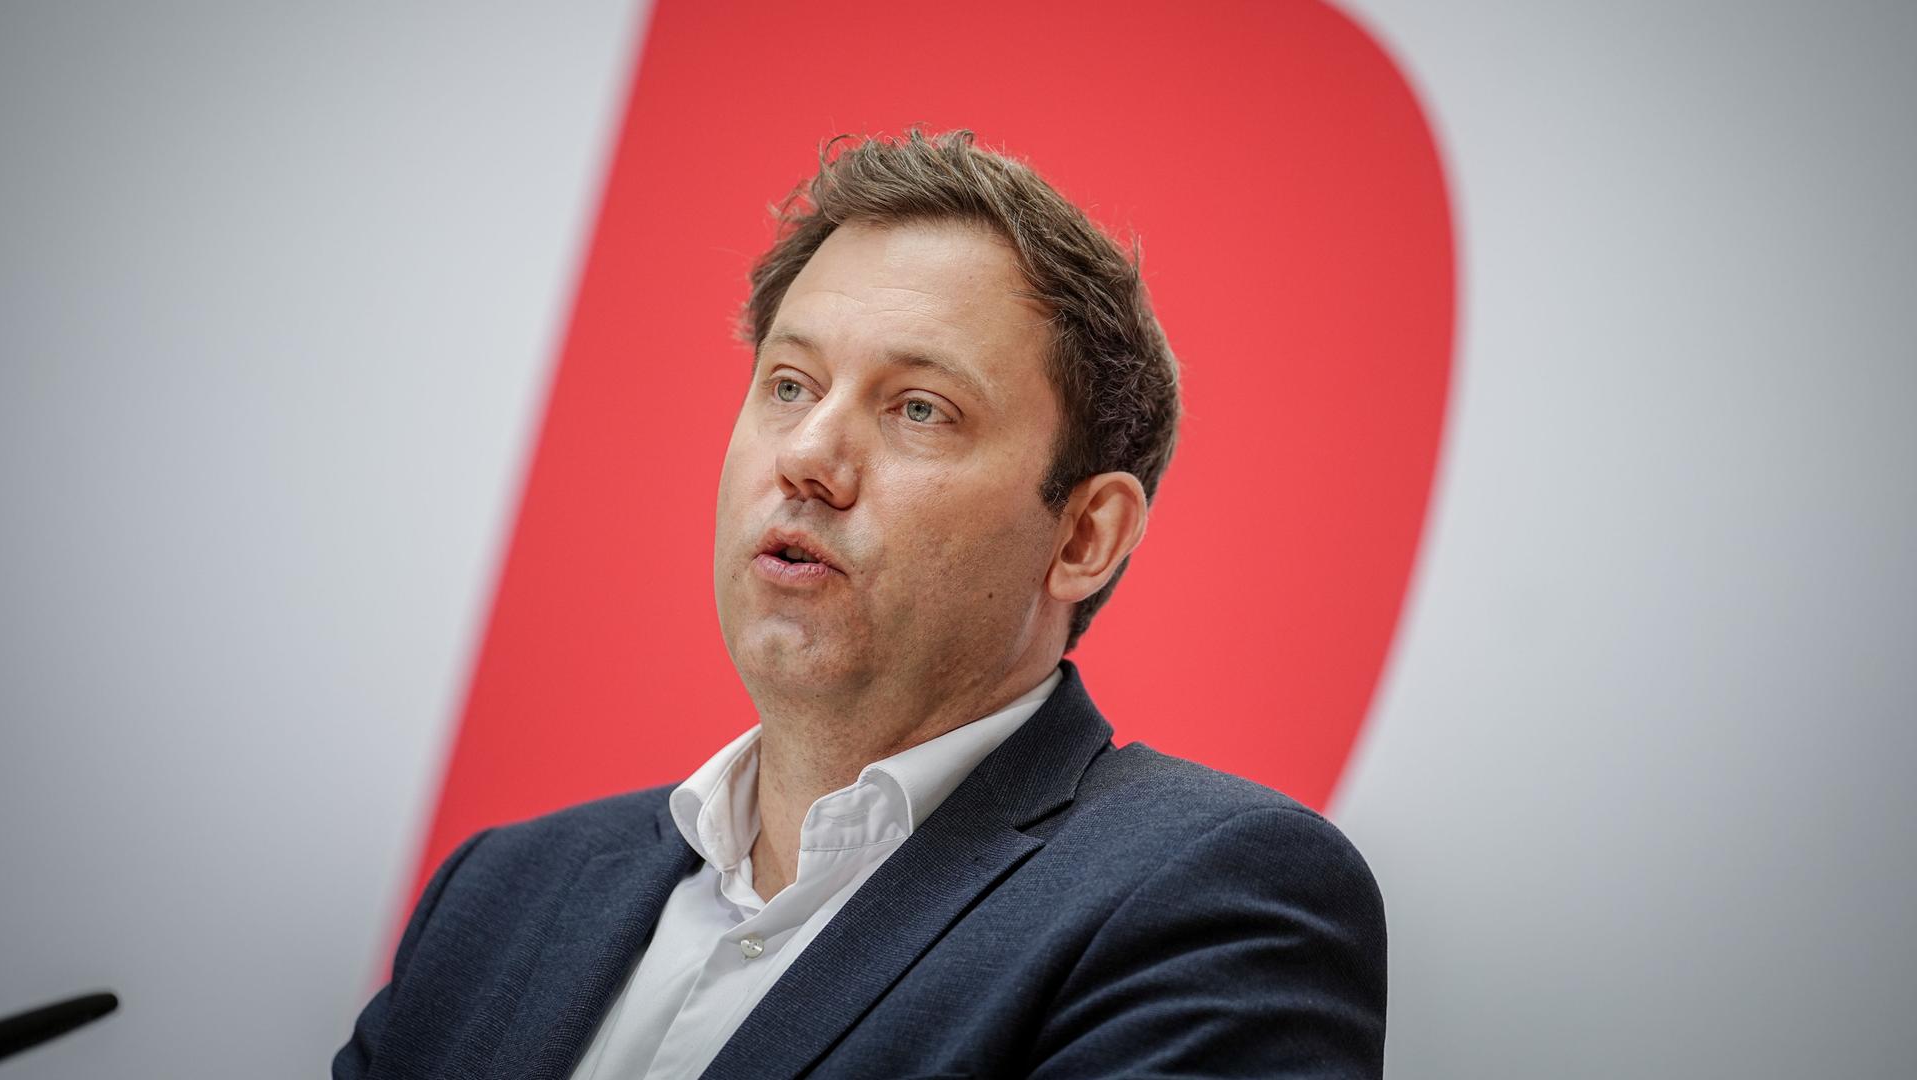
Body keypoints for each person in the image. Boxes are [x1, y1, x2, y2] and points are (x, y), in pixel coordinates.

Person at [335, 129, 1385, 1080]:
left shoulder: (1212, 897)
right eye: (789, 385)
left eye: (919, 409)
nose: (807, 458)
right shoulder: (500, 896)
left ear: (1083, 536)